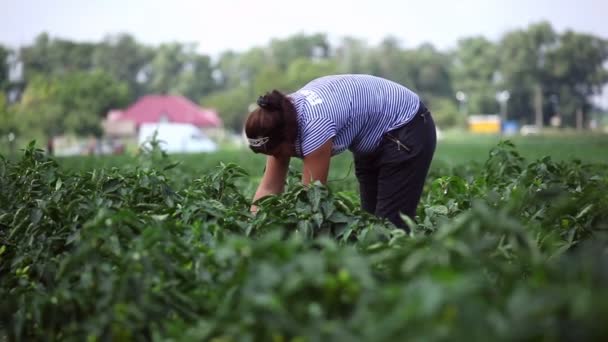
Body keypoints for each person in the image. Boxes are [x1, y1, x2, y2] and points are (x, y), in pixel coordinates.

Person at [244, 74, 437, 230]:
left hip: (407, 126)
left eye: (276, 151)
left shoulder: (315, 127)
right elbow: (269, 188)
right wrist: (252, 229)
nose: (275, 157)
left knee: (390, 227)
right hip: (371, 133)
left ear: (287, 136)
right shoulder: (277, 117)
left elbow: (311, 200)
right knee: (371, 223)